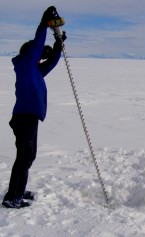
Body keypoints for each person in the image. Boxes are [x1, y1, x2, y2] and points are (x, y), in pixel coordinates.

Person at [2, 6, 67, 208]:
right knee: (24, 157)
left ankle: (18, 190)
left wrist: (58, 46)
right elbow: (37, 46)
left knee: (28, 156)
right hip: (24, 118)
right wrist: (43, 25)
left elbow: (52, 62)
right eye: (37, 54)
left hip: (29, 118)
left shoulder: (35, 71)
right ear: (30, 54)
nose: (40, 56)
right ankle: (12, 197)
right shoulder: (25, 66)